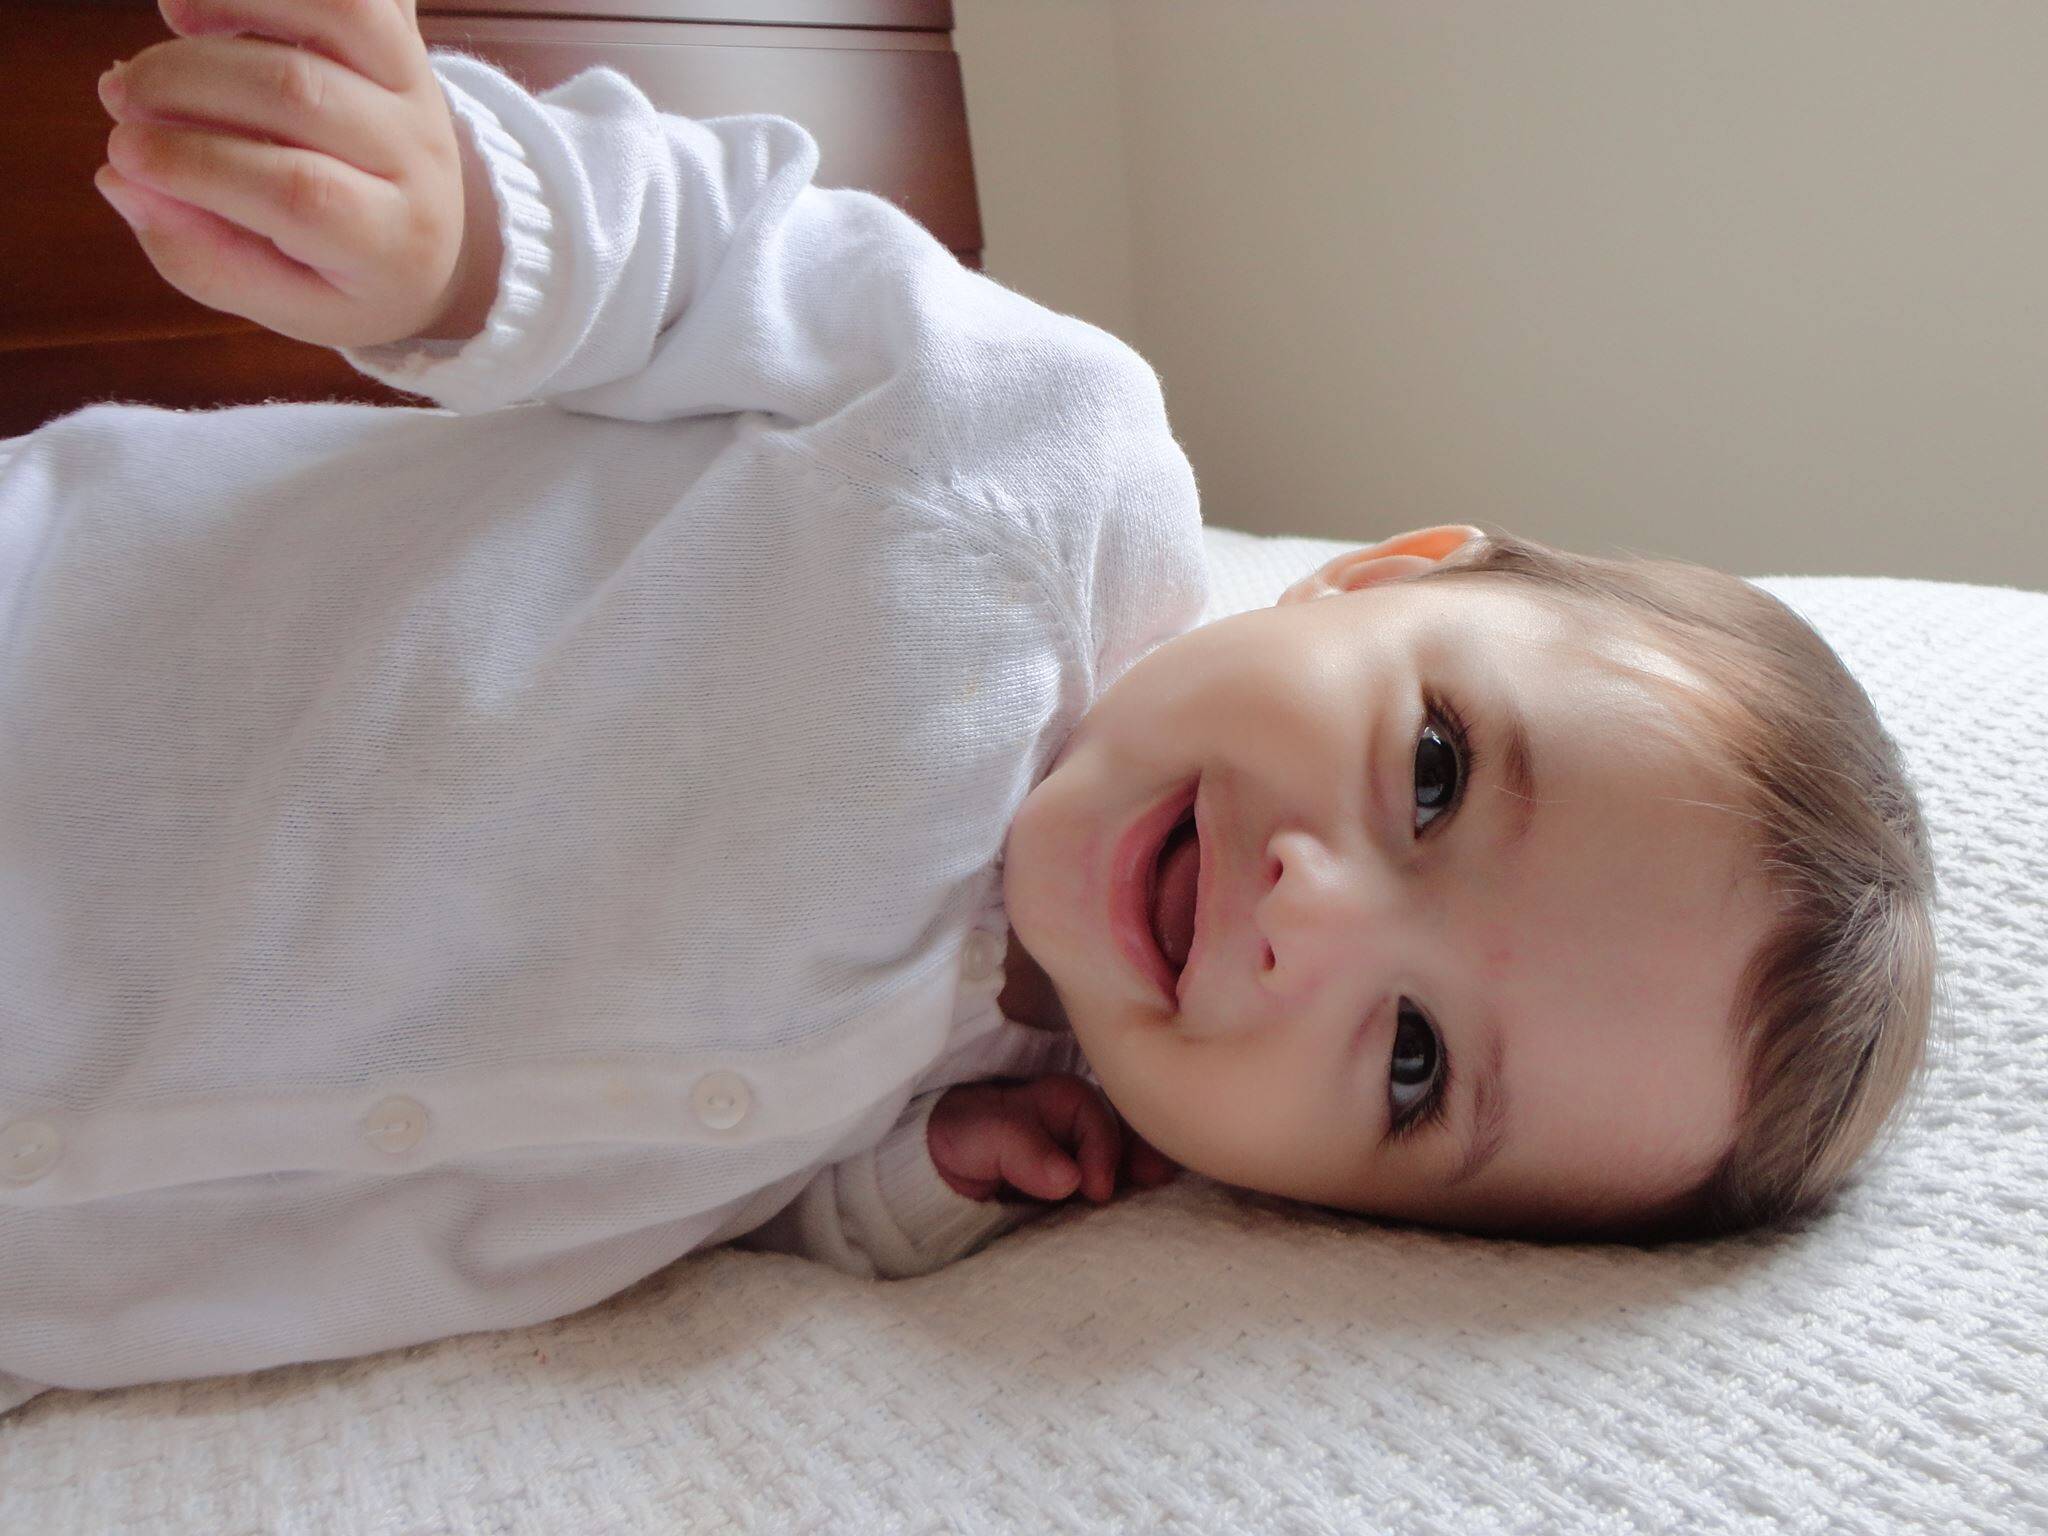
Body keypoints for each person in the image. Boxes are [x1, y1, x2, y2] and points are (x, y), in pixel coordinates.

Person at [0, 0, 1933, 1412]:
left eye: (1414, 1063)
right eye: (1434, 772)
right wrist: (472, 242)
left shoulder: (994, 1086)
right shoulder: (1028, 455)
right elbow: (703, 258)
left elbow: (684, 1192)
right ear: (1385, 572)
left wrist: (900, 1194)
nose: (1311, 918)